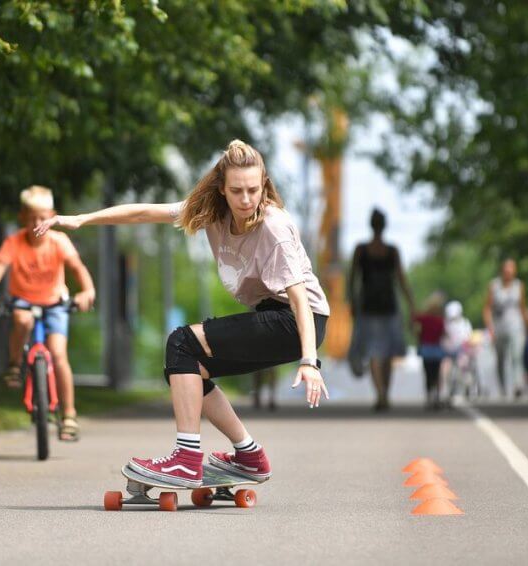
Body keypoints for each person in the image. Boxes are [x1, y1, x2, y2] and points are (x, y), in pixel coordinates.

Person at [35, 140, 329, 488]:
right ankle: (248, 455)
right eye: (237, 191)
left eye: (253, 190)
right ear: (222, 189)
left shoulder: (273, 227)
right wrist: (81, 219)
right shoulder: (209, 213)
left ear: (264, 185)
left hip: (297, 320)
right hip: (276, 315)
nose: (246, 200)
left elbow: (298, 297)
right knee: (187, 368)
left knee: (182, 343)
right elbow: (143, 213)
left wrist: (309, 361)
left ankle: (186, 460)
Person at [0, 186, 97, 441]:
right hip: (23, 301)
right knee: (22, 319)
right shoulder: (14, 243)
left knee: (58, 354)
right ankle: (14, 364)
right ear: (22, 217)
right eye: (32, 217)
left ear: (52, 216)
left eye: (43, 217)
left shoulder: (58, 241)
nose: (37, 222)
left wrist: (87, 291)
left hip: (55, 303)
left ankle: (69, 415)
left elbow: (77, 267)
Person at [347, 208, 415, 411]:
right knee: (388, 353)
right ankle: (385, 393)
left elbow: (352, 280)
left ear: (371, 225)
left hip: (368, 306)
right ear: (384, 226)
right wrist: (411, 305)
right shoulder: (392, 251)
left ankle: (380, 394)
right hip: (389, 306)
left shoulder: (361, 249)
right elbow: (401, 279)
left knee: (374, 352)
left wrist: (351, 303)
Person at [482, 258, 527, 399]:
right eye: (506, 269)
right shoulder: (494, 285)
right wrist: (490, 327)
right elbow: (487, 308)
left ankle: (518, 385)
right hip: (499, 327)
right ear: (502, 270)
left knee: (516, 356)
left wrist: (525, 327)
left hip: (516, 326)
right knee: (501, 359)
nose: (508, 272)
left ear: (514, 271)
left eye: (511, 269)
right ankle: (502, 388)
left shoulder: (519, 285)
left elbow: (522, 308)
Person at [413, 292, 446, 410]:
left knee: (428, 374)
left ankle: (429, 397)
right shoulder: (440, 320)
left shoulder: (424, 318)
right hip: (436, 349)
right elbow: (443, 334)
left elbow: (413, 319)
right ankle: (436, 397)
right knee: (436, 374)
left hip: (426, 349)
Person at [442, 300, 474, 399]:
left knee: (464, 366)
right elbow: (444, 338)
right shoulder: (446, 324)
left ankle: (468, 384)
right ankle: (447, 388)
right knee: (446, 368)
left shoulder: (465, 323)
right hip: (449, 351)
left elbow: (468, 338)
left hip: (462, 351)